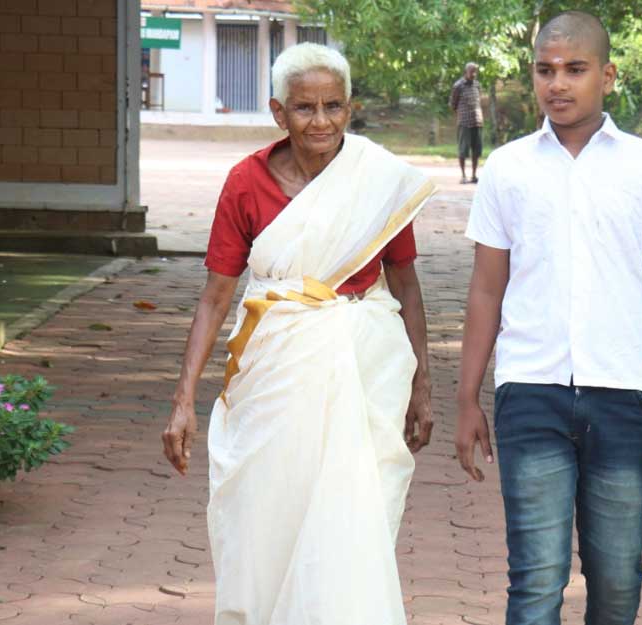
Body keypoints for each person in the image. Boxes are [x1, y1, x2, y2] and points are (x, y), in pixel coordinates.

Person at [160, 43, 436, 625]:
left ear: (350, 108)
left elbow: (406, 285)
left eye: (333, 106)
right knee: (269, 506)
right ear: (278, 113)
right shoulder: (246, 181)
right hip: (275, 362)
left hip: (368, 358)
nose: (321, 122)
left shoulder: (376, 177)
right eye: (305, 108)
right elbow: (215, 297)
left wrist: (423, 386)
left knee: (355, 509)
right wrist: (184, 400)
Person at [455, 11, 642, 625]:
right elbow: (486, 290)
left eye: (575, 69)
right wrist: (466, 399)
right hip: (529, 390)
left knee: (618, 579)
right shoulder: (508, 168)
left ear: (608, 76)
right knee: (535, 581)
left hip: (622, 394)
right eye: (545, 70)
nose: (557, 84)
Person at [450, 61, 485, 183]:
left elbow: (478, 100)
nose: (474, 74)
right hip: (464, 122)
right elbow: (453, 104)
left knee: (477, 151)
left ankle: (474, 175)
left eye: (475, 71)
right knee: (463, 150)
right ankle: (463, 175)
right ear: (466, 71)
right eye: (472, 71)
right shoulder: (458, 86)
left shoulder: (477, 85)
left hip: (477, 121)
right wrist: (462, 114)